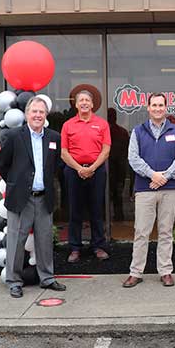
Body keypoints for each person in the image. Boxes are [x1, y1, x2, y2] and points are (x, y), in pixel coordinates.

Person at [0, 97, 66, 298]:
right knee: (17, 241)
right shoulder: (14, 136)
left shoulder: (54, 137)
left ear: (46, 116)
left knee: (44, 239)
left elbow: (56, 166)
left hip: (44, 197)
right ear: (26, 114)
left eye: (41, 112)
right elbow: (2, 164)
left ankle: (47, 278)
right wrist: (16, 183)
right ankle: (14, 281)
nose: (37, 115)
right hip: (21, 198)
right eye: (34, 111)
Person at [122, 93, 175, 288]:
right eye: (154, 105)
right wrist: (153, 175)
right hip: (145, 188)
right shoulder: (138, 131)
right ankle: (136, 272)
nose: (158, 108)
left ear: (166, 108)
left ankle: (166, 271)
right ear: (148, 108)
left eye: (161, 105)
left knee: (166, 231)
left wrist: (165, 177)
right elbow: (133, 158)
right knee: (141, 231)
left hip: (170, 189)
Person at [61, 90, 111, 263]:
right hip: (74, 172)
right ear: (75, 104)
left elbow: (106, 150)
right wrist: (79, 169)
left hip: (96, 172)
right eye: (80, 100)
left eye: (87, 100)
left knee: (96, 209)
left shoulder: (102, 124)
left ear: (92, 104)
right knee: (75, 210)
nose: (83, 103)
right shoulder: (68, 125)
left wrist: (92, 168)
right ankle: (75, 248)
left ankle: (98, 246)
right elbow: (64, 152)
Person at [107, 108, 130, 221]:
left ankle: (111, 218)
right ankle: (118, 217)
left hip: (113, 167)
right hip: (117, 167)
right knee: (117, 195)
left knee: (110, 194)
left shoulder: (107, 131)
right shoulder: (123, 132)